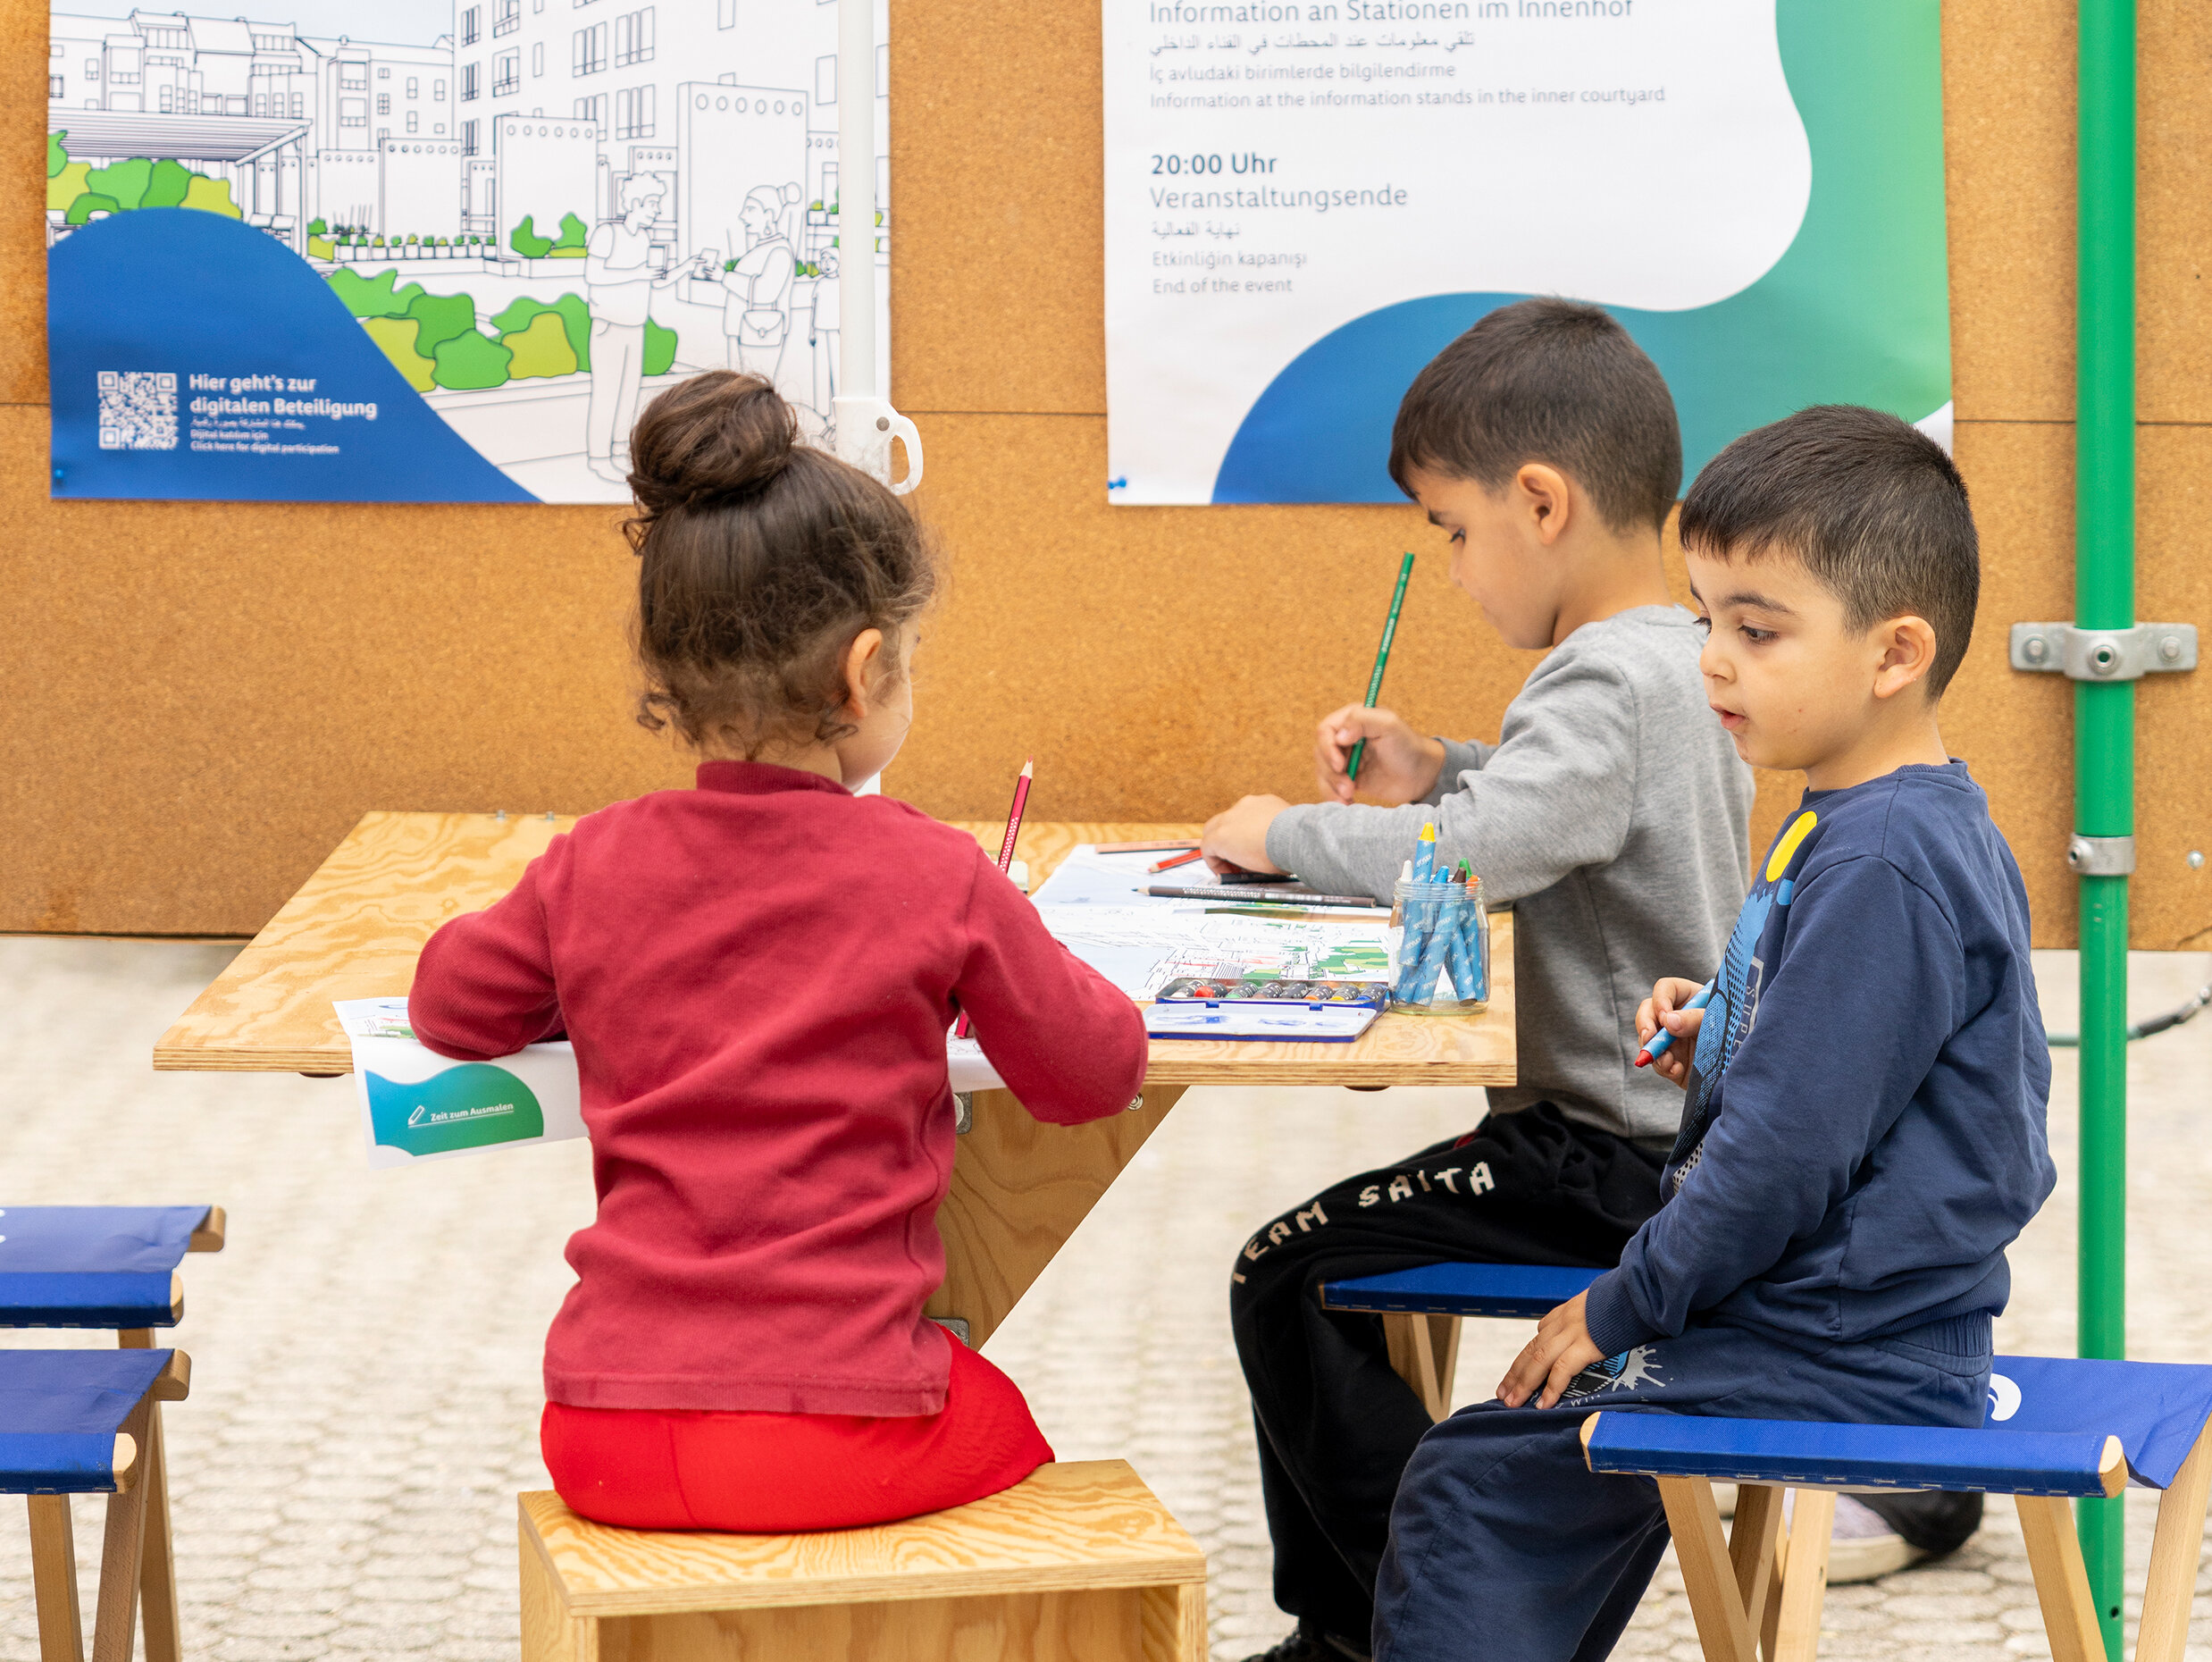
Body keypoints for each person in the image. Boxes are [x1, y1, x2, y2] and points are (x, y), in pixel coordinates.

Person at [406, 371, 1147, 1532]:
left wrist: (586, 975)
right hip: (832, 1431)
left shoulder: (591, 865)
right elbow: (1094, 1071)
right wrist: (1002, 945)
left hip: (598, 1435)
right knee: (1013, 1432)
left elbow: (451, 1005)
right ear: (864, 673)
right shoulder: (932, 874)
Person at [1372, 405, 2057, 1659]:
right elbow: (1856, 1073)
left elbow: (1787, 1158)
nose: (1714, 663)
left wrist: (1620, 1305)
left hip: (1844, 1344)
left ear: (1895, 652)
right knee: (1514, 1459)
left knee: (1471, 1479)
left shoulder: (1882, 862)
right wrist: (1725, 1026)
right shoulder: (1870, 821)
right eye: (1706, 621)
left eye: (1758, 630)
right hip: (1846, 1325)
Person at [1198, 298, 1757, 1662]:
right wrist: (1436, 760)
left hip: (1602, 1163)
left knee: (1287, 1276)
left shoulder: (1604, 682)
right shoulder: (1680, 652)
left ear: (1542, 501)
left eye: (1452, 530)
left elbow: (1471, 853)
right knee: (1318, 1271)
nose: (1451, 567)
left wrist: (1284, 834)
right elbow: (1543, 810)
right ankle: (1388, 1619)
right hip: (1644, 1148)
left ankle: (1427, 1621)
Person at [583, 175, 683, 484]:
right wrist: (637, 272)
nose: (658, 210)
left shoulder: (642, 239)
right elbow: (594, 274)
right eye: (653, 203)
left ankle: (615, 452)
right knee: (606, 394)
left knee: (628, 395)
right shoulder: (607, 233)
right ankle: (599, 457)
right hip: (609, 326)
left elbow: (652, 280)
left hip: (634, 327)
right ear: (636, 203)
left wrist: (685, 269)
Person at [719, 183, 803, 389]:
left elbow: (765, 293)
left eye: (750, 209)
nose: (743, 216)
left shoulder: (780, 251)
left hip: (760, 334)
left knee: (752, 397)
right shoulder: (764, 249)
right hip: (747, 333)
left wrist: (725, 277)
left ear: (769, 214)